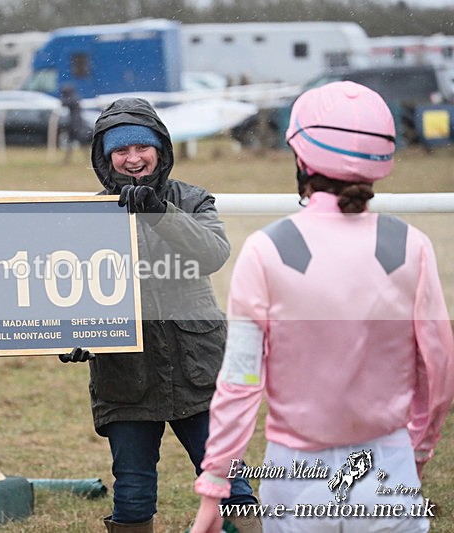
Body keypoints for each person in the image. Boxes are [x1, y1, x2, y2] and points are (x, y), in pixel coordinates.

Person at [191, 81, 454, 532]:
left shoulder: (265, 250)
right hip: (387, 467)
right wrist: (416, 451)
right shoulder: (412, 246)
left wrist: (216, 483)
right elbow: (438, 368)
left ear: (301, 158)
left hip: (292, 476)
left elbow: (240, 382)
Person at [60, 97, 260, 533]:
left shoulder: (192, 200)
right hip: (125, 377)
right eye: (120, 151)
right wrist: (70, 334)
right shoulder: (87, 215)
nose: (133, 159)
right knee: (132, 496)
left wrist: (157, 211)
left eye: (141, 148)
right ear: (105, 157)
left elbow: (212, 254)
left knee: (231, 485)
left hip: (199, 369)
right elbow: (70, 290)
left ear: (160, 149)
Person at [59, 84, 85, 163]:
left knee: (79, 141)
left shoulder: (72, 99)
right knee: (78, 141)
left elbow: (64, 103)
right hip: (76, 122)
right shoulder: (75, 98)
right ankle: (67, 159)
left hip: (75, 123)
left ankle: (67, 159)